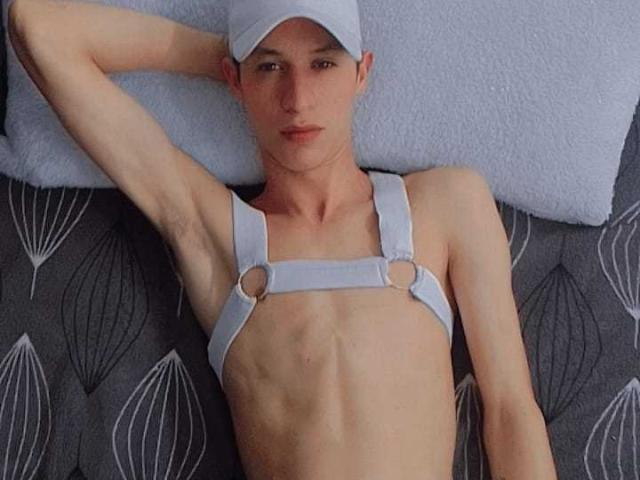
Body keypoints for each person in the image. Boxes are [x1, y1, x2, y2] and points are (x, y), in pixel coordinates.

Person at [8, 0, 558, 478]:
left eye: (323, 63)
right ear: (235, 81)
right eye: (272, 68)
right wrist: (223, 57)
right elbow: (38, 28)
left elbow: (512, 411)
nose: (298, 98)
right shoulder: (216, 233)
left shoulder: (446, 203)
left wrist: (258, 60)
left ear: (362, 73)